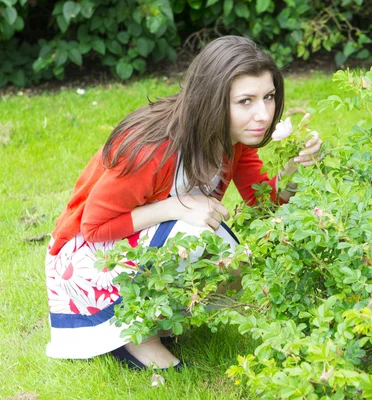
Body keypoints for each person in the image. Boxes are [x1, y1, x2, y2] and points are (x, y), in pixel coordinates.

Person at [44, 35, 323, 369]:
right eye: (245, 101)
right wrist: (176, 206)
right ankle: (138, 338)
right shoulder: (152, 147)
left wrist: (293, 170)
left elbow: (262, 204)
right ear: (212, 99)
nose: (263, 114)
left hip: (138, 245)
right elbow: (94, 227)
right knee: (194, 229)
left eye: (269, 97)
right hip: (85, 261)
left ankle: (163, 325)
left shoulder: (233, 139)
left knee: (231, 254)